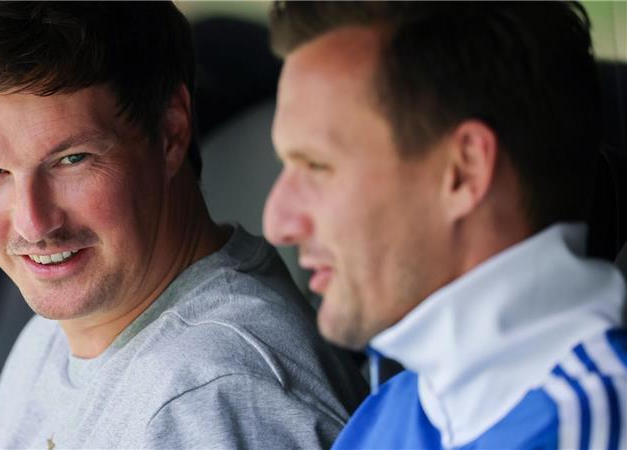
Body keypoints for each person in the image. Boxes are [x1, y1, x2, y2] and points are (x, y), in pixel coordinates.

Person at [0, 2, 365, 448]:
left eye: (72, 160)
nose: (33, 224)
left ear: (171, 132)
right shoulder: (53, 339)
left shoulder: (209, 399)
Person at [263, 2, 627, 449]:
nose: (277, 222)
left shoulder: (593, 429)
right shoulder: (387, 416)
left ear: (464, 170)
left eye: (317, 166)